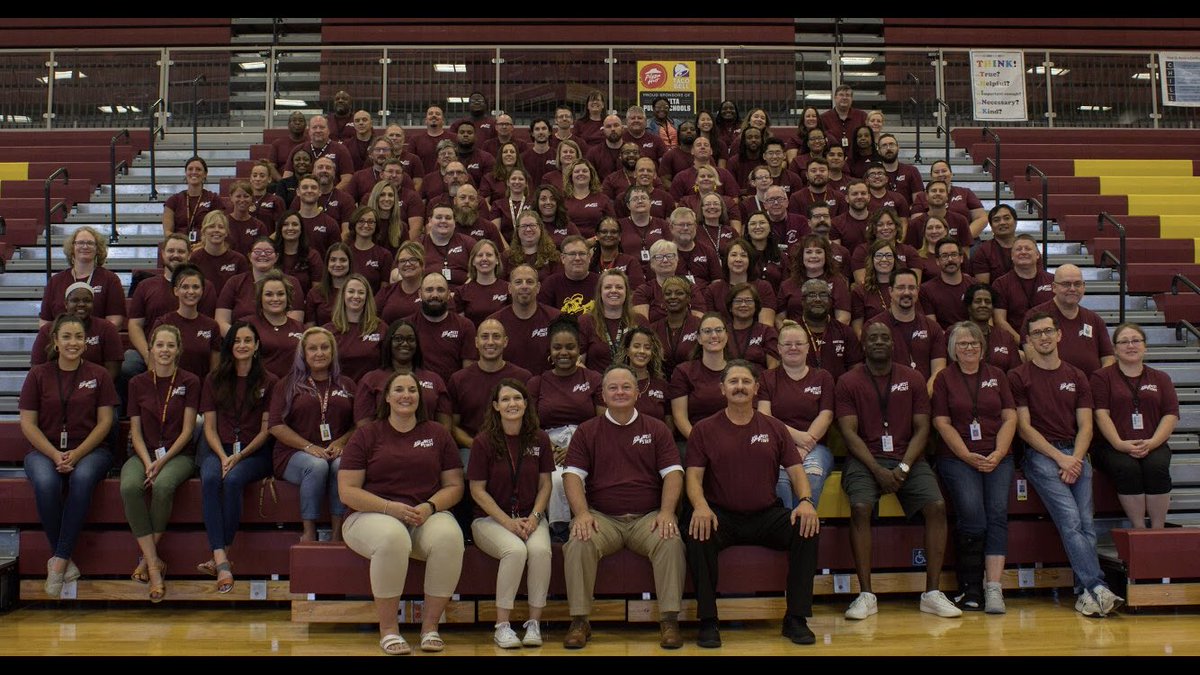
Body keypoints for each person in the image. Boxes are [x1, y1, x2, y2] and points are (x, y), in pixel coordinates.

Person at [686, 359, 821, 648]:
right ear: (722, 388)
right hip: (721, 515)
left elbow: (796, 470)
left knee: (807, 528)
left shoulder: (774, 427)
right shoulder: (704, 429)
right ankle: (708, 621)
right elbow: (693, 478)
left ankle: (796, 618)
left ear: (756, 388)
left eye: (746, 382)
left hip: (765, 514)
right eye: (733, 382)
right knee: (698, 531)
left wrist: (806, 501)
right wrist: (700, 506)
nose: (739, 387)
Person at [836, 321, 961, 620]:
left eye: (884, 338)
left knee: (937, 506)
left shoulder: (914, 378)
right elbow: (849, 433)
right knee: (861, 507)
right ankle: (866, 594)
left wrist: (903, 466)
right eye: (872, 338)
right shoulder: (848, 381)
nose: (879, 342)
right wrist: (877, 469)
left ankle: (932, 593)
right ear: (863, 345)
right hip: (865, 460)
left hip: (908, 458)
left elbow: (922, 428)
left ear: (893, 344)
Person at [338, 370, 465, 654]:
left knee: (450, 537)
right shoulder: (366, 435)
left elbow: (455, 486)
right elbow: (347, 491)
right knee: (393, 537)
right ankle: (388, 630)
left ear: (420, 397)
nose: (406, 395)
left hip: (423, 513)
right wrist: (388, 507)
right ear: (387, 397)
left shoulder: (437, 433)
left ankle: (430, 627)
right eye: (399, 390)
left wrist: (430, 506)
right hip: (370, 515)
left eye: (412, 390)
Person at [562, 365, 686, 650]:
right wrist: (581, 514)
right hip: (602, 518)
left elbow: (673, 473)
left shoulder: (656, 428)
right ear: (603, 394)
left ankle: (669, 620)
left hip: (648, 518)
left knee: (670, 540)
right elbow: (571, 476)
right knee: (579, 541)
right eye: (613, 388)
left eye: (626, 387)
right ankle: (580, 621)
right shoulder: (587, 431)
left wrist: (667, 513)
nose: (620, 392)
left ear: (637, 392)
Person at [1010, 312, 1124, 617]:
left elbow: (1086, 426)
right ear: (1029, 341)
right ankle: (1096, 586)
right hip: (1041, 456)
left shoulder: (1076, 376)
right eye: (1037, 333)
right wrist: (1060, 458)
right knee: (1072, 520)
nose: (1044, 337)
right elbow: (1024, 428)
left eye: (1049, 331)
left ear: (1059, 335)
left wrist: (1075, 458)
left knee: (1087, 524)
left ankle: (1084, 592)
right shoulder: (1019, 376)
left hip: (1076, 453)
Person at [21, 314, 119, 596]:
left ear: (86, 342)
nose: (73, 343)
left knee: (83, 478)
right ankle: (64, 559)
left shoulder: (99, 375)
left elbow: (105, 423)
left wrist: (76, 454)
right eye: (66, 337)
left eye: (78, 337)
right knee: (46, 483)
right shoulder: (38, 374)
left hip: (91, 450)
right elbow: (28, 424)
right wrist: (54, 454)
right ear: (55, 341)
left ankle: (59, 560)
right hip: (44, 449)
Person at [931, 321, 1017, 613]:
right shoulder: (944, 378)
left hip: (998, 455)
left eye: (974, 343)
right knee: (973, 515)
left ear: (983, 347)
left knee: (996, 516)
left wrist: (999, 451)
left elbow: (1010, 417)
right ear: (953, 349)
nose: (969, 348)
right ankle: (969, 587)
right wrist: (967, 454)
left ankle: (993, 588)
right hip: (958, 457)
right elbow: (941, 422)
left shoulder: (997, 375)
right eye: (963, 344)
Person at [468, 379, 553, 648]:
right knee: (515, 551)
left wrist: (536, 518)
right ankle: (502, 626)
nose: (512, 404)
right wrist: (507, 522)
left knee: (540, 551)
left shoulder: (539, 438)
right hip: (490, 519)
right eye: (505, 399)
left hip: (531, 518)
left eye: (517, 398)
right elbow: (477, 490)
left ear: (526, 403)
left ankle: (533, 624)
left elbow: (546, 483)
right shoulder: (483, 442)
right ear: (496, 406)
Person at [119, 325, 199, 603]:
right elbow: (136, 431)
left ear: (178, 349)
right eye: (160, 345)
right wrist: (147, 461)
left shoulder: (190, 381)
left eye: (170, 345)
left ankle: (148, 565)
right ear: (150, 348)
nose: (164, 350)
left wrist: (162, 461)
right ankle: (154, 562)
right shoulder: (137, 383)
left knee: (163, 485)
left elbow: (188, 430)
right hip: (143, 454)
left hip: (179, 455)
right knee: (130, 486)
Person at [197, 321, 277, 594]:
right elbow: (208, 427)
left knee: (231, 482)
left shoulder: (270, 380)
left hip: (254, 452)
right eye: (237, 341)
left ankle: (221, 557)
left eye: (248, 340)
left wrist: (239, 456)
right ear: (229, 346)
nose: (242, 345)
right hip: (218, 447)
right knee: (209, 478)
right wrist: (223, 455)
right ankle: (221, 558)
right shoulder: (213, 379)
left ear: (256, 346)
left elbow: (267, 430)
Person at [270, 327, 357, 542]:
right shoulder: (287, 384)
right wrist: (308, 447)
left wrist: (341, 442)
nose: (319, 353)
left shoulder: (347, 384)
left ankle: (338, 534)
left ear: (333, 352)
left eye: (325, 347)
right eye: (313, 348)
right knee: (316, 465)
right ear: (303, 354)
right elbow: (275, 425)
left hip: (335, 451)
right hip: (294, 454)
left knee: (341, 466)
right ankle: (308, 532)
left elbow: (360, 424)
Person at [1091, 323, 1179, 529]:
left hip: (1153, 442)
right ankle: (1139, 530)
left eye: (1136, 341)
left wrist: (1152, 442)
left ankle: (1157, 530)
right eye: (1124, 342)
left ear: (1145, 346)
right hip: (1112, 445)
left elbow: (1170, 414)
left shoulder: (1161, 378)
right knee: (1127, 468)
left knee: (1157, 467)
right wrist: (1120, 444)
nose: (1130, 346)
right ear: (1114, 349)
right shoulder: (1101, 377)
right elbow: (1100, 414)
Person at [527, 317, 605, 537]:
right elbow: (529, 425)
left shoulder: (594, 378)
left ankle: (592, 523)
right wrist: (549, 449)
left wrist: (576, 448)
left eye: (570, 347)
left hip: (587, 442)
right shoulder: (537, 382)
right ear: (549, 351)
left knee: (583, 475)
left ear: (579, 349)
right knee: (554, 478)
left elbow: (602, 422)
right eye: (557, 347)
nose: (564, 352)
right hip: (547, 444)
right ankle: (559, 531)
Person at [759, 321, 836, 506]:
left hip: (815, 447)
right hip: (777, 445)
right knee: (780, 480)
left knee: (812, 475)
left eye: (799, 344)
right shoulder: (767, 378)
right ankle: (784, 530)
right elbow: (765, 416)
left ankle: (804, 531)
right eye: (787, 344)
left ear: (808, 347)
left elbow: (826, 415)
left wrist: (805, 446)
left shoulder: (823, 377)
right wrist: (797, 438)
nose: (793, 348)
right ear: (779, 348)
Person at [354, 319, 452, 429]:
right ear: (388, 343)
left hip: (426, 443)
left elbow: (445, 427)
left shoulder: (434, 379)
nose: (405, 343)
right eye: (398, 339)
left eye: (410, 339)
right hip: (383, 444)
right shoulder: (370, 380)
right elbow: (364, 428)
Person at [1023, 264, 1115, 375]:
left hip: (1091, 388)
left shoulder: (1095, 319)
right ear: (1054, 287)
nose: (1072, 289)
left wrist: (1099, 381)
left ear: (1083, 287)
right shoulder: (1035, 317)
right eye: (1066, 284)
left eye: (1077, 284)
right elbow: (1032, 356)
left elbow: (1108, 358)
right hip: (1052, 387)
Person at [39, 225, 126, 330]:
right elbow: (44, 322)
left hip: (97, 342)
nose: (85, 247)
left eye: (90, 243)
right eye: (80, 243)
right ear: (72, 247)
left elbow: (115, 321)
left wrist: (86, 338)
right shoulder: (55, 281)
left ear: (97, 248)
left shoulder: (110, 279)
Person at [214, 236, 305, 336]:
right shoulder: (234, 282)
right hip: (242, 345)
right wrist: (244, 339)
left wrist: (266, 341)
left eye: (268, 251)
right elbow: (221, 322)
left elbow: (294, 322)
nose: (262, 254)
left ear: (277, 257)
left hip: (281, 342)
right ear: (249, 256)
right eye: (257, 251)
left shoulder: (292, 283)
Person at [32, 283, 121, 383]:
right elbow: (37, 367)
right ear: (66, 304)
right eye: (75, 300)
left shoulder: (107, 328)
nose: (81, 304)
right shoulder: (48, 329)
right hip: (55, 387)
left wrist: (91, 389)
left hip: (95, 387)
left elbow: (113, 369)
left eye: (87, 300)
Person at [487, 263, 560, 376]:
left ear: (538, 287)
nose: (524, 286)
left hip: (546, 388)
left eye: (530, 282)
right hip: (507, 389)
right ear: (510, 288)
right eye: (518, 282)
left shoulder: (556, 319)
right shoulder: (495, 323)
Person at [670, 313, 732, 446]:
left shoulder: (737, 371)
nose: (714, 335)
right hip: (695, 442)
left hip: (733, 441)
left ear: (726, 336)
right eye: (707, 331)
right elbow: (679, 417)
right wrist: (702, 443)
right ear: (698, 338)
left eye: (719, 330)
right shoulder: (683, 371)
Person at [878, 268, 947, 384]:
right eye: (900, 288)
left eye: (911, 288)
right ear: (890, 291)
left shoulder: (933, 328)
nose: (906, 292)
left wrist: (923, 396)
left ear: (918, 290)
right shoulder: (875, 327)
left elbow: (938, 370)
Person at [408, 272, 478, 375]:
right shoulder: (407, 326)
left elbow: (468, 375)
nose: (435, 295)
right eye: (429, 290)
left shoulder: (465, 326)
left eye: (440, 290)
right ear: (420, 294)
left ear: (449, 294)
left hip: (452, 389)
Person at [991, 233, 1055, 343]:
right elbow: (1000, 321)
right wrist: (1024, 343)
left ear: (1037, 255)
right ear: (1012, 256)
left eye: (1028, 249)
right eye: (1018, 249)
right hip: (1017, 345)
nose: (1023, 252)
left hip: (1051, 342)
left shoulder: (1053, 281)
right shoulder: (1000, 284)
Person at [578, 269, 645, 373]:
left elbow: (650, 358)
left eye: (619, 287)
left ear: (627, 292)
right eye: (608, 287)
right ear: (600, 292)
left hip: (633, 384)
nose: (614, 290)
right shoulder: (586, 321)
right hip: (597, 386)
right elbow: (578, 362)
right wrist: (598, 383)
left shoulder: (639, 320)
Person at [323, 273, 387, 381]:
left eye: (361, 292)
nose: (356, 296)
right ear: (343, 295)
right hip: (339, 391)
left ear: (367, 297)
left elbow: (387, 367)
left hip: (371, 390)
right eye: (351, 291)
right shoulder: (327, 332)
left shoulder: (381, 328)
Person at [797, 278, 863, 380]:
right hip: (799, 392)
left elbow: (856, 371)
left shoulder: (845, 332)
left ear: (830, 301)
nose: (818, 299)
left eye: (823, 295)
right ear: (802, 301)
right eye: (812, 295)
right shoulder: (791, 332)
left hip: (838, 392)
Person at [243, 270, 305, 379]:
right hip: (257, 388)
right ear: (260, 298)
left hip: (292, 388)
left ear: (288, 297)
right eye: (268, 294)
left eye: (280, 294)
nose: (275, 299)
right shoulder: (246, 325)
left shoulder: (300, 328)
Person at [778, 234, 852, 326]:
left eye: (818, 252)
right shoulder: (787, 285)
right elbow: (779, 319)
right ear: (801, 256)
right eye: (808, 252)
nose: (814, 256)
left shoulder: (838, 282)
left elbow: (844, 318)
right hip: (795, 337)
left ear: (826, 256)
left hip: (828, 336)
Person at [705, 239, 777, 327]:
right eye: (733, 255)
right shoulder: (713, 290)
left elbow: (766, 326)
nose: (738, 259)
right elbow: (712, 325)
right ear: (726, 259)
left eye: (743, 255)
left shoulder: (764, 287)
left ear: (750, 260)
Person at [912, 160, 988, 240]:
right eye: (936, 172)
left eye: (944, 171)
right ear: (931, 176)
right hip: (931, 241)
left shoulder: (965, 193)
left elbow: (981, 218)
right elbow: (918, 223)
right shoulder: (922, 196)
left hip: (964, 241)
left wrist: (964, 238)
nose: (941, 174)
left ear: (951, 174)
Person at [648, 273, 703, 376]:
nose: (673, 297)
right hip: (662, 384)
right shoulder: (653, 329)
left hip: (693, 383)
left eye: (679, 293)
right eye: (668, 294)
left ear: (688, 298)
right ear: (663, 298)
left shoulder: (700, 325)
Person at [616, 326, 672, 424]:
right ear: (627, 351)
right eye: (636, 346)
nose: (642, 351)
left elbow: (669, 426)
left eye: (647, 347)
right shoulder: (615, 384)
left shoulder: (662, 385)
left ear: (652, 353)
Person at [850, 206, 919, 286]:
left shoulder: (910, 252)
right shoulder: (862, 251)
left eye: (890, 224)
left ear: (896, 227)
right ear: (874, 228)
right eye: (880, 225)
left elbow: (914, 285)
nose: (885, 228)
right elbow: (862, 283)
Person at [964, 284, 1022, 372]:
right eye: (978, 301)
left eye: (987, 301)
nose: (983, 305)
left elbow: (1015, 373)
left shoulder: (1006, 337)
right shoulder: (956, 335)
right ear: (969, 307)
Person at [162, 156, 222, 241]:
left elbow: (218, 230)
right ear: (186, 173)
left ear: (205, 174)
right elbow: (167, 232)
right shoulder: (173, 201)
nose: (194, 172)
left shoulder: (213, 199)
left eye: (198, 169)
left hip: (206, 246)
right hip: (179, 247)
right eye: (190, 169)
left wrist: (202, 245)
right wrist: (182, 245)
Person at [921, 239, 977, 329]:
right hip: (944, 340)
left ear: (961, 258)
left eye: (954, 255)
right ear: (937, 261)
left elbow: (984, 321)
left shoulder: (975, 285)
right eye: (944, 256)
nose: (950, 259)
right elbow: (933, 328)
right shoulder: (926, 290)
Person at [189, 211, 249, 296]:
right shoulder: (195, 258)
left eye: (221, 227)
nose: (216, 230)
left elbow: (244, 292)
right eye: (211, 226)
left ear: (226, 232)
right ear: (204, 231)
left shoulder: (239, 260)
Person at [537, 235, 598, 317]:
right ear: (563, 258)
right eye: (572, 254)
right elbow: (542, 316)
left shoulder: (601, 282)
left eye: (582, 253)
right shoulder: (551, 284)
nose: (577, 258)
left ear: (589, 257)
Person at [723, 283, 779, 371]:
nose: (743, 305)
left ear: (756, 306)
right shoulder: (722, 332)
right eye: (738, 301)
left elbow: (773, 368)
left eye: (748, 301)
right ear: (730, 306)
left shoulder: (767, 332)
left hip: (760, 382)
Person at [851, 240, 900, 335]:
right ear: (872, 260)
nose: (884, 259)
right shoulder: (860, 291)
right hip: (874, 346)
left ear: (895, 260)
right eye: (879, 255)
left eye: (889, 255)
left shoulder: (905, 288)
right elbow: (858, 330)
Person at [457, 239, 509, 326]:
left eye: (489, 255)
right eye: (480, 255)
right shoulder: (461, 292)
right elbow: (462, 327)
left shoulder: (508, 288)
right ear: (473, 261)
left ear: (497, 260)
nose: (484, 259)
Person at [503, 208, 561, 283]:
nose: (528, 229)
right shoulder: (506, 257)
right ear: (517, 230)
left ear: (540, 228)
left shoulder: (553, 256)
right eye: (523, 226)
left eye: (532, 225)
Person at [345, 206, 393, 294]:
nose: (366, 225)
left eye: (371, 222)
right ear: (354, 223)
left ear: (376, 226)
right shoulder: (345, 253)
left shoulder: (385, 255)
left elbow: (384, 291)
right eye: (361, 221)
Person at [589, 217, 646, 290]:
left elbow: (638, 292)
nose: (609, 235)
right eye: (604, 232)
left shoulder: (630, 262)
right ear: (597, 236)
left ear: (619, 236)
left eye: (613, 232)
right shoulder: (591, 263)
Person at [563, 159, 614, 239]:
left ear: (591, 175)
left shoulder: (602, 199)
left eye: (584, 171)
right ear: (571, 176)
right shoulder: (563, 200)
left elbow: (612, 225)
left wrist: (594, 241)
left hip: (598, 244)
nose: (581, 173)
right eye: (577, 171)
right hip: (570, 245)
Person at [967, 205, 1018, 285]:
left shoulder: (1027, 247)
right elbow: (983, 288)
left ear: (1015, 222)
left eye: (1007, 218)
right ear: (991, 226)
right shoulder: (983, 251)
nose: (1002, 222)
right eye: (996, 220)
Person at [305, 243, 353, 327]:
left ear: (350, 263)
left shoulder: (357, 292)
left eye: (343, 260)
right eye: (333, 260)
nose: (338, 264)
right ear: (327, 263)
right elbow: (310, 328)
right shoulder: (314, 293)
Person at [377, 242, 424, 323]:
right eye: (402, 261)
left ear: (422, 264)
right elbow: (371, 317)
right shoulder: (387, 291)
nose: (408, 264)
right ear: (397, 266)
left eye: (413, 259)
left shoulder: (431, 291)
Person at [743, 210, 791, 289]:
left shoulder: (781, 257)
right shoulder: (741, 255)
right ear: (747, 229)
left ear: (770, 228)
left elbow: (787, 286)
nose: (758, 227)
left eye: (762, 223)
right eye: (753, 224)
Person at [225, 180, 272, 256]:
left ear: (251, 198)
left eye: (246, 196)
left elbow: (264, 251)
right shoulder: (223, 223)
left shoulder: (259, 226)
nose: (242, 200)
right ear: (231, 197)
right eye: (238, 196)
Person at [488, 163, 531, 241]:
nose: (517, 182)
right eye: (513, 179)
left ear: (526, 183)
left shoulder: (533, 203)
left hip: (529, 245)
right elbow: (496, 232)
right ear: (508, 182)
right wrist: (507, 249)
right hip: (505, 247)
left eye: (521, 179)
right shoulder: (498, 205)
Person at [821, 84, 869, 150]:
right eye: (841, 95)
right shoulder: (824, 118)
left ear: (852, 99)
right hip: (833, 157)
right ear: (835, 97)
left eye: (847, 95)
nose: (844, 98)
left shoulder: (862, 116)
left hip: (857, 157)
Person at [533, 183, 581, 248]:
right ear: (537, 203)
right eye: (543, 199)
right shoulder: (531, 227)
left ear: (558, 203)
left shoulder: (569, 226)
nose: (548, 202)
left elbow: (579, 248)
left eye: (552, 199)